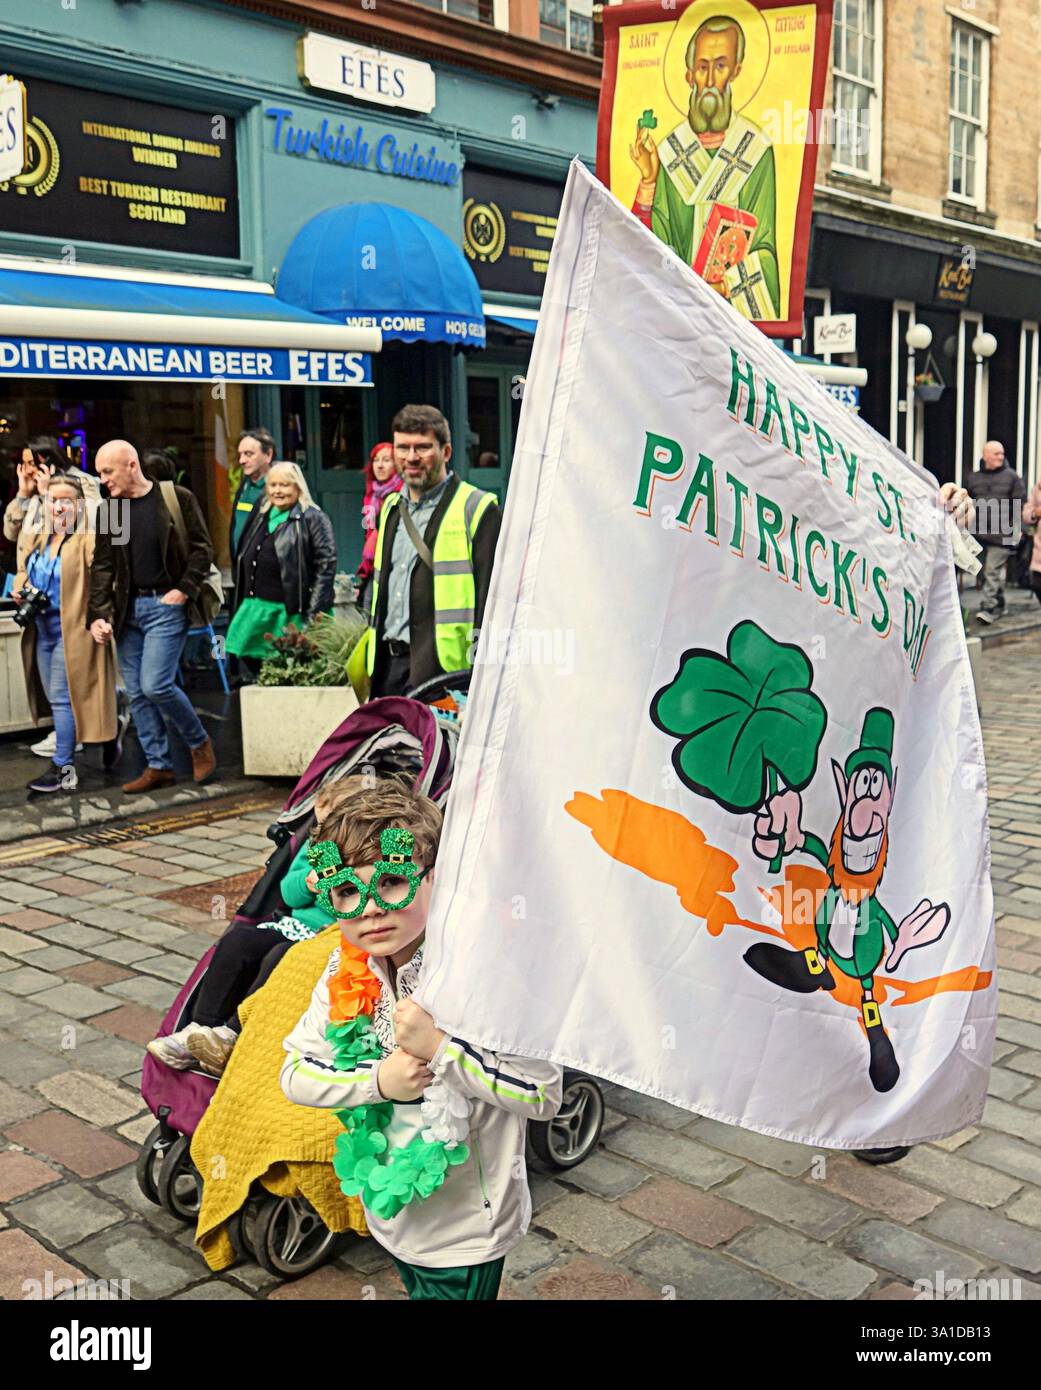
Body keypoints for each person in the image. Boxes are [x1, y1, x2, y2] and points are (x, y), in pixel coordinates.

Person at [281, 781, 561, 1301]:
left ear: (438, 881)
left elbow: (542, 1094)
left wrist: (444, 1053)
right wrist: (378, 1081)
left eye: (390, 882)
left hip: (465, 1231)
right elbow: (295, 1071)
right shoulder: (347, 970)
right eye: (346, 891)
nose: (368, 909)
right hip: (391, 1210)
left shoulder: (489, 975)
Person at [147, 774, 365, 1076]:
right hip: (293, 925)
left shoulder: (364, 857)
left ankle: (232, 1034)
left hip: (327, 938)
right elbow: (288, 893)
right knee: (239, 942)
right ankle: (199, 1028)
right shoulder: (316, 847)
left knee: (280, 958)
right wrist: (308, 883)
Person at [629, 13, 779, 319]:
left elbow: (764, 249)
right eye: (702, 67)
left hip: (728, 322)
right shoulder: (670, 153)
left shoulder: (756, 149)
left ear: (736, 71)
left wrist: (724, 287)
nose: (710, 81)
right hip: (678, 323)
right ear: (689, 75)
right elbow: (643, 249)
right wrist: (648, 181)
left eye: (720, 66)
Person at [88, 439, 217, 794]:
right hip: (128, 611)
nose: (103, 480)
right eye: (100, 473)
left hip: (165, 606)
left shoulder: (174, 498)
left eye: (108, 471)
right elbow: (103, 566)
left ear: (131, 465)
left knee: (155, 684)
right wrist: (98, 614)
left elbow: (202, 548)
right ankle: (159, 766)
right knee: (138, 694)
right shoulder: (112, 510)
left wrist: (184, 589)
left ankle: (199, 742)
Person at [367, 404, 500, 698]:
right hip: (388, 666)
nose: (411, 457)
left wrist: (483, 677)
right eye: (402, 447)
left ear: (446, 452)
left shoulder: (477, 508)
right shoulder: (390, 507)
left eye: (423, 447)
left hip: (445, 672)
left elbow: (493, 600)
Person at [13, 472, 117, 794]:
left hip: (72, 630)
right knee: (60, 698)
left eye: (66, 502)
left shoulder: (88, 537)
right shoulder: (40, 535)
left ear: (80, 506)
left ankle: (63, 767)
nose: (58, 507)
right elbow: (21, 569)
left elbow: (103, 582)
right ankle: (113, 729)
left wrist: (101, 618)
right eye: (53, 501)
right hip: (41, 629)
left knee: (62, 698)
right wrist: (22, 588)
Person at [224, 462, 336, 678]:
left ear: (298, 488)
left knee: (292, 674)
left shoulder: (313, 517)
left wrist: (314, 614)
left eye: (284, 485)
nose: (277, 491)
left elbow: (327, 564)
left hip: (292, 612)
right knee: (250, 659)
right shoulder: (261, 511)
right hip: (257, 607)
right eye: (273, 485)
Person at [966, 440, 1026, 624]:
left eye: (1002, 453)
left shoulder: (1012, 477)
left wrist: (1018, 532)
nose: (1001, 457)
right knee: (985, 572)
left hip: (1003, 535)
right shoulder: (973, 478)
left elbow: (1020, 504)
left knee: (992, 571)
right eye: (996, 454)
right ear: (985, 456)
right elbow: (967, 502)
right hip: (980, 535)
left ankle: (989, 607)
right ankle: (999, 602)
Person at [354, 440, 402, 609]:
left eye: (386, 460)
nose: (380, 465)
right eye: (376, 460)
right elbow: (368, 533)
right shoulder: (371, 496)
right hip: (373, 566)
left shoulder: (403, 494)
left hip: (395, 566)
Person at [230, 427, 275, 569]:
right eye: (240, 454)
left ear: (268, 455)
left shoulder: (278, 489)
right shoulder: (243, 487)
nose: (242, 460)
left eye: (248, 454)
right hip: (242, 570)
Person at [1022, 477, 1041, 610]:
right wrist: (1035, 513)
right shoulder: (1039, 486)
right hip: (1039, 547)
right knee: (1036, 584)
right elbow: (1027, 511)